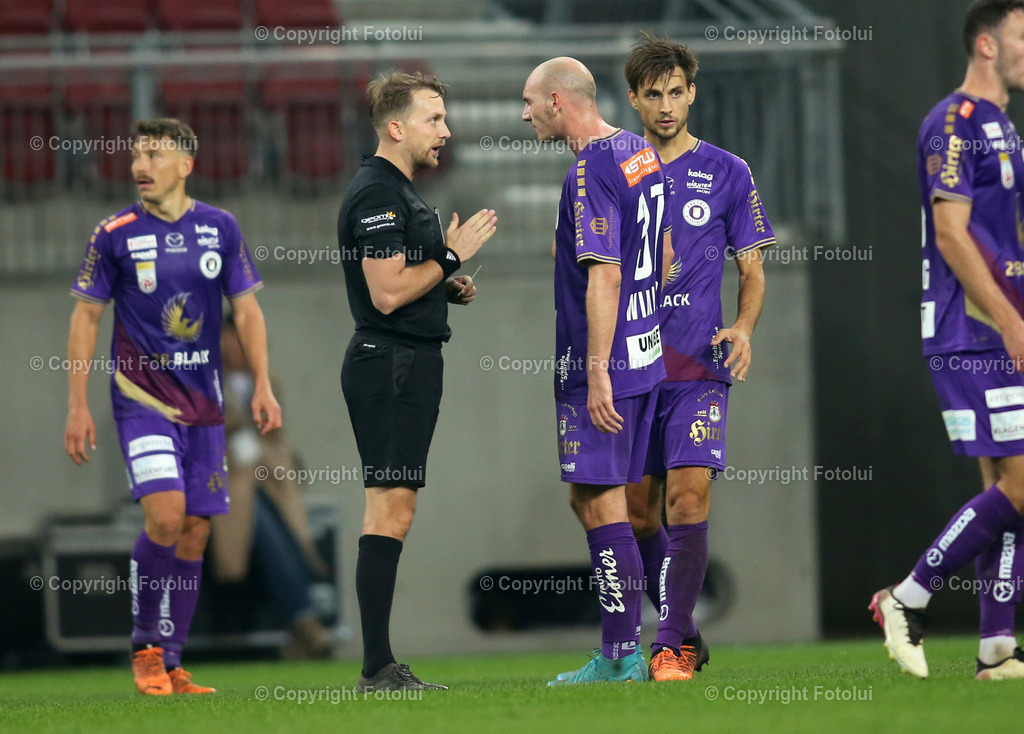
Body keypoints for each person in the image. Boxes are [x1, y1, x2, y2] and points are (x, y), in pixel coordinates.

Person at [64, 118, 281, 695]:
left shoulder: (220, 227)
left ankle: (174, 662)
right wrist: (77, 405)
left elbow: (248, 312)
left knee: (192, 532)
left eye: (155, 155)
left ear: (184, 165)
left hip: (206, 407)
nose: (141, 165)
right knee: (163, 517)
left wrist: (261, 383)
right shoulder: (113, 232)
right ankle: (144, 648)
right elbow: (86, 317)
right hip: (142, 404)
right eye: (137, 155)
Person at [870, 0, 1024, 680]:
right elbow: (953, 233)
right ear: (987, 44)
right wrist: (1012, 320)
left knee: (1003, 484)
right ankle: (907, 598)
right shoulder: (954, 123)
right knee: (1019, 485)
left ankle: (996, 648)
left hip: (998, 326)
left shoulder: (1002, 126)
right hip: (975, 330)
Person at [338, 70, 497, 692]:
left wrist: (443, 289)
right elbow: (385, 292)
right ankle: (377, 667)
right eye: (434, 119)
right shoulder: (380, 194)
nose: (446, 131)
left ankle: (379, 666)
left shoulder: (396, 190)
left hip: (403, 358)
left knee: (393, 507)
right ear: (396, 127)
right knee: (389, 508)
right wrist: (450, 256)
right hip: (392, 364)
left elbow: (407, 281)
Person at [622, 34, 774, 681]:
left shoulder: (728, 172)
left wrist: (742, 326)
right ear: (633, 99)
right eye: (652, 94)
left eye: (675, 91)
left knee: (687, 501)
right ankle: (682, 625)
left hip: (700, 369)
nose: (664, 104)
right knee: (634, 513)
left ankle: (667, 647)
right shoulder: (614, 172)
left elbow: (753, 268)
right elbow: (579, 263)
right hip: (633, 368)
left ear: (692, 91)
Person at [523, 57, 673, 685]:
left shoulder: (589, 169)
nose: (524, 114)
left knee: (602, 501)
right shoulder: (640, 152)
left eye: (530, 102)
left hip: (604, 365)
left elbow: (605, 272)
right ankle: (676, 631)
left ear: (559, 101)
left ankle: (621, 655)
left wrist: (597, 371)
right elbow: (663, 253)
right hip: (643, 354)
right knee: (600, 501)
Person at [209, 316, 336, 660]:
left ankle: (302, 623)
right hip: (223, 482)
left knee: (291, 530)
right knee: (260, 521)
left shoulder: (267, 381)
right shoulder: (203, 378)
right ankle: (305, 622)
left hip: (267, 477)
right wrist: (236, 431)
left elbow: (276, 436)